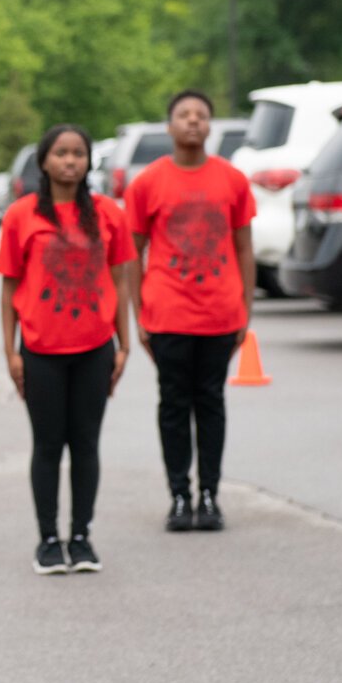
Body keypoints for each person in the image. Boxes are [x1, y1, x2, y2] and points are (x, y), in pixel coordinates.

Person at [0, 124, 134, 575]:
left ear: (88, 161)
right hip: (40, 349)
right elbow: (9, 286)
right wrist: (11, 352)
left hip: (95, 347)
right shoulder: (21, 215)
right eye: (61, 153)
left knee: (87, 444)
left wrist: (124, 344)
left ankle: (81, 537)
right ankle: (49, 541)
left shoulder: (109, 214)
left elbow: (120, 281)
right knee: (49, 445)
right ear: (44, 161)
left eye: (78, 153)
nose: (70, 161)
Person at [125, 90, 256, 533]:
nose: (193, 121)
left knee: (212, 402)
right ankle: (179, 496)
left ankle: (209, 495)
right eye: (184, 115)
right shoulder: (147, 183)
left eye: (201, 115)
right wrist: (139, 312)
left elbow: (244, 247)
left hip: (220, 312)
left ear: (210, 126)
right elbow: (132, 253)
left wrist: (246, 309)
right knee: (174, 405)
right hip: (168, 314)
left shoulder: (232, 180)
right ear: (170, 127)